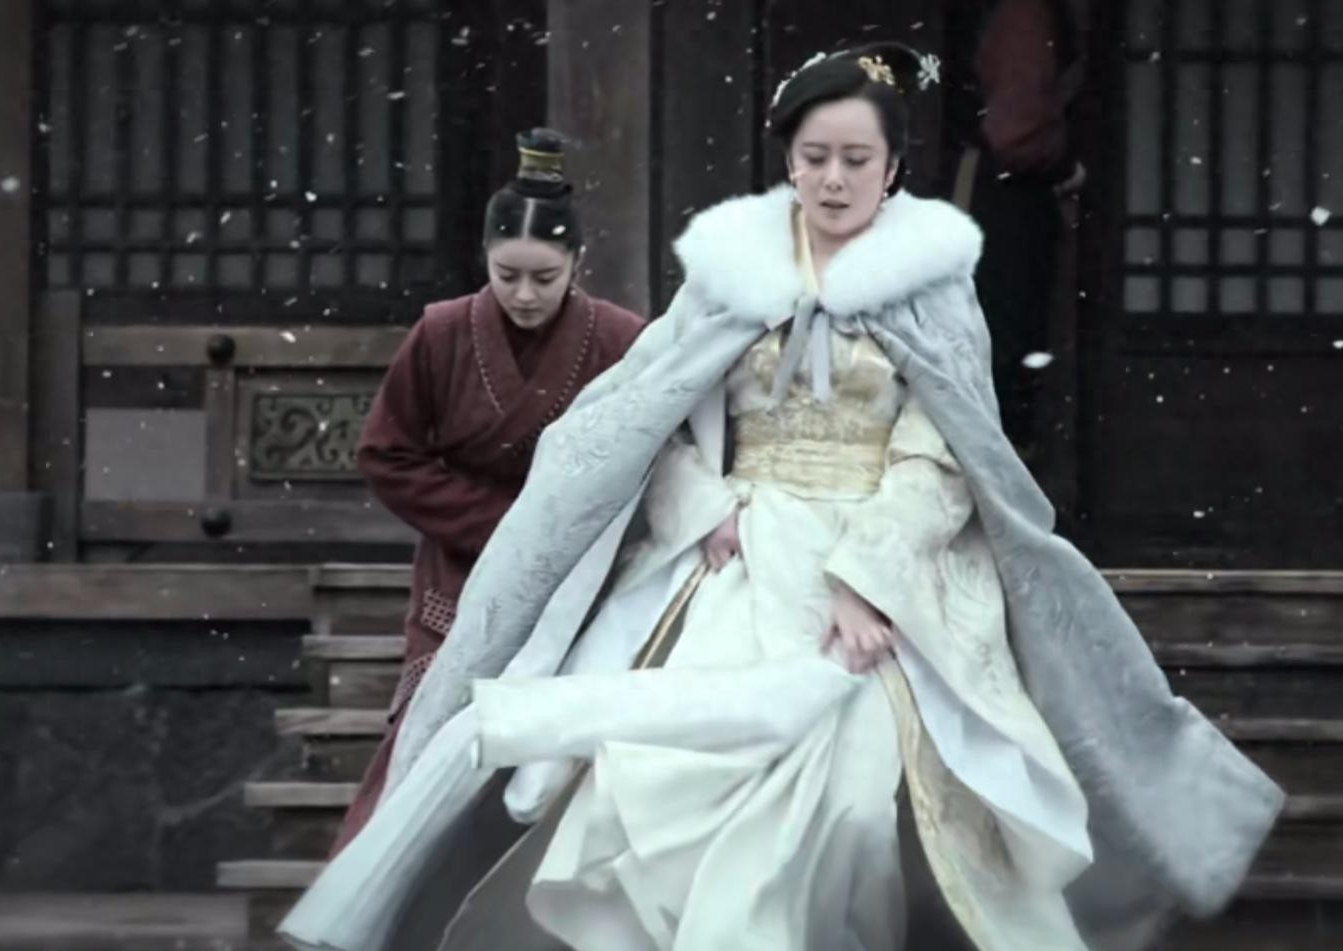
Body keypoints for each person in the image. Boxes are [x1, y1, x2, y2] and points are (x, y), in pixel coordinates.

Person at [282, 45, 1282, 951]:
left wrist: (868, 578)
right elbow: (652, 419)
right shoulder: (728, 278)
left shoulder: (933, 289)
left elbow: (946, 453)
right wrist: (703, 507)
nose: (834, 178)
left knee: (848, 798)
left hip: (878, 569)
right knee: (648, 779)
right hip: (735, 556)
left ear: (893, 168)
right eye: (815, 157)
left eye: (856, 158)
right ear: (789, 165)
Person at [330, 128, 644, 855]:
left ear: (577, 263)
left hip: (577, 568)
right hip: (464, 562)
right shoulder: (441, 333)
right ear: (484, 257)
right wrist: (500, 525)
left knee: (555, 748)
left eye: (544, 277)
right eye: (507, 275)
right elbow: (387, 452)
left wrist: (570, 534)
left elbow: (653, 456)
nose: (524, 294)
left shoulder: (620, 338)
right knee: (436, 733)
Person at [943, 0, 1088, 457]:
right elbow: (1017, 132)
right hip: (1007, 193)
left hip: (1000, 189)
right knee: (1001, 340)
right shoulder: (1026, 13)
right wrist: (1065, 167)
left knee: (997, 342)